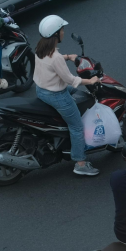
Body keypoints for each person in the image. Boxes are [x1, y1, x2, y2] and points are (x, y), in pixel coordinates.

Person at [33, 15, 100, 176]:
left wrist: (68, 56)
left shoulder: (41, 49)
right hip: (56, 94)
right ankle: (80, 163)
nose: (63, 32)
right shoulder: (55, 57)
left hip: (41, 90)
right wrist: (90, 81)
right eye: (62, 30)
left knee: (77, 95)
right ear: (56, 34)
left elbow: (52, 63)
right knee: (76, 127)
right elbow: (70, 80)